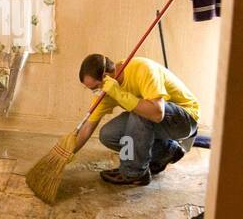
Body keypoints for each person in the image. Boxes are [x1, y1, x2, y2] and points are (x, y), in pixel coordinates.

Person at [73, 51, 199, 187]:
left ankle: (134, 173)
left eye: (95, 87)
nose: (95, 91)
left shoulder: (142, 69)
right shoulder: (107, 91)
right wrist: (68, 152)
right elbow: (88, 126)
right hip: (155, 120)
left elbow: (157, 113)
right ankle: (166, 151)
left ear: (106, 77)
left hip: (184, 119)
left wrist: (119, 93)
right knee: (108, 134)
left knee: (140, 112)